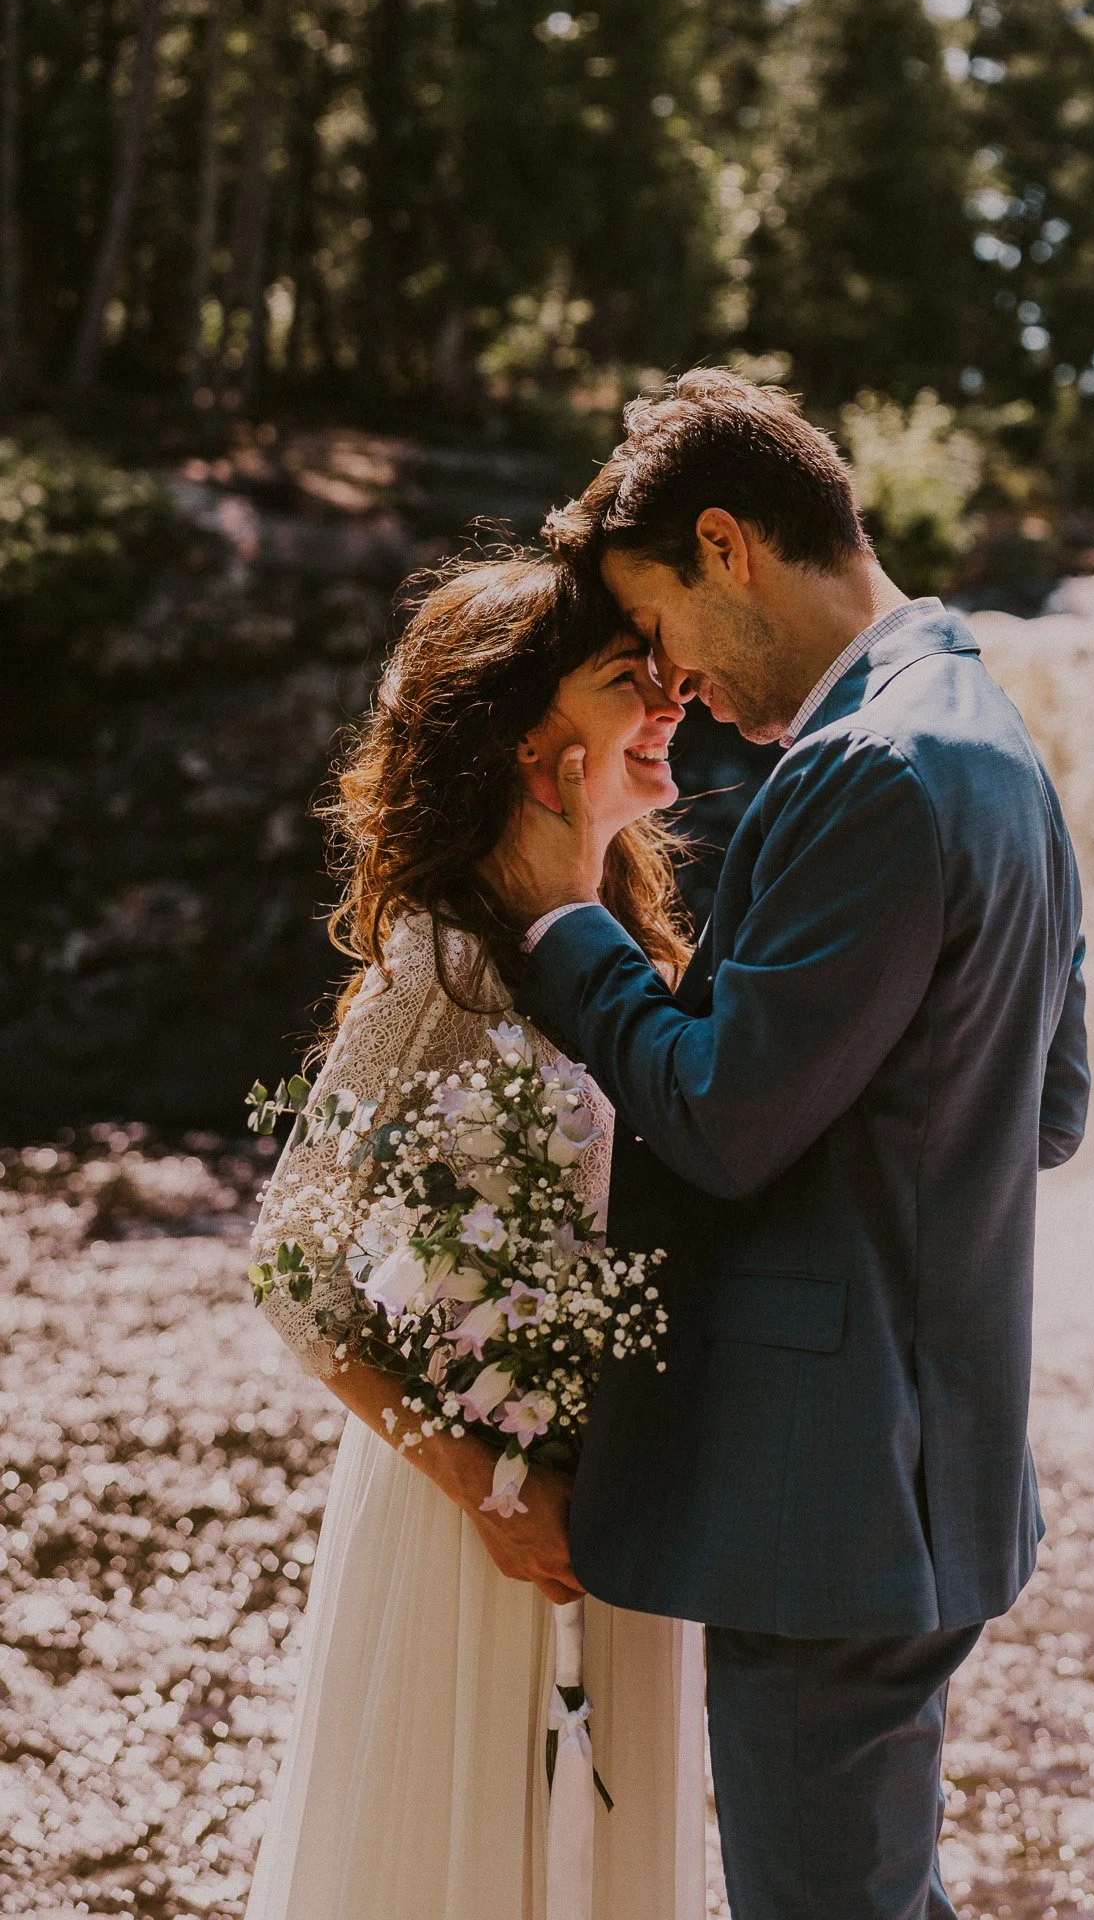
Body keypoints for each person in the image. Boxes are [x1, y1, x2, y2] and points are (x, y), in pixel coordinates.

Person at [490, 368, 1090, 1920]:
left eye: (662, 625)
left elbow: (722, 1119)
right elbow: (1049, 1103)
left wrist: (564, 922)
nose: (674, 683)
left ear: (724, 547)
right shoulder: (987, 738)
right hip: (920, 1455)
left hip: (831, 1486)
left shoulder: (867, 770)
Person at [244, 558, 707, 1920]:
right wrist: (487, 1489)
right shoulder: (441, 967)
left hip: (627, 1507)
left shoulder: (644, 960)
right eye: (632, 681)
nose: (672, 701)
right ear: (530, 740)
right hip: (475, 1529)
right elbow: (288, 1262)